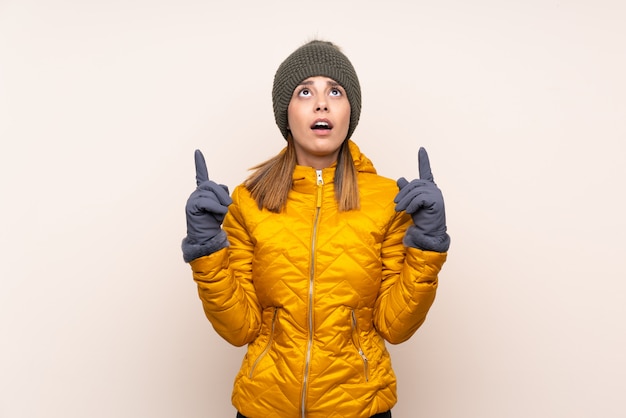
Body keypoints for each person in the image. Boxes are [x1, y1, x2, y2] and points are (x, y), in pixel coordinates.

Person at [182, 40, 450, 418]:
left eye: (334, 91)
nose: (321, 103)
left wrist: (427, 246)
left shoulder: (391, 200)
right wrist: (207, 249)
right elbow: (239, 329)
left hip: (360, 408)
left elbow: (395, 326)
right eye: (305, 91)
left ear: (348, 111)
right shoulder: (247, 201)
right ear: (286, 114)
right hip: (264, 407)